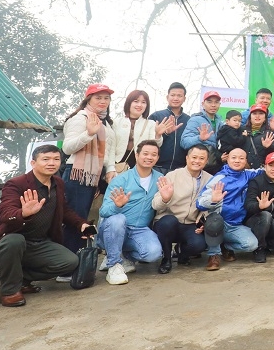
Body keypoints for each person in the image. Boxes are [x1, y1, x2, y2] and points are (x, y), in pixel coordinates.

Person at [0, 145, 92, 307]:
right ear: (33, 163)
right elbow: (3, 213)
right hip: (13, 239)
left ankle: (21, 279)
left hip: (40, 241)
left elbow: (64, 209)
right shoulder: (16, 184)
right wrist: (23, 213)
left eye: (56, 159)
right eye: (45, 159)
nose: (51, 163)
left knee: (70, 262)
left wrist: (81, 224)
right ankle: (9, 291)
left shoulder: (58, 183)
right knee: (14, 241)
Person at [60, 84, 116, 267]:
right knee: (75, 219)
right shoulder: (80, 118)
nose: (103, 101)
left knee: (83, 218)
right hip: (77, 174)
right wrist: (89, 134)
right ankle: (66, 267)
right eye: (98, 97)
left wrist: (110, 169)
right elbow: (67, 148)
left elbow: (109, 151)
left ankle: (77, 264)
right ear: (88, 99)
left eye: (106, 98)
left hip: (93, 175)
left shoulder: (105, 122)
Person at [96, 140, 164, 285]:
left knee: (154, 253)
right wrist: (117, 206)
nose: (149, 157)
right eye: (145, 154)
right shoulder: (121, 180)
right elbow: (104, 211)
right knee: (118, 219)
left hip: (139, 230)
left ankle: (124, 257)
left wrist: (167, 198)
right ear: (137, 155)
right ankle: (114, 265)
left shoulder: (160, 179)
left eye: (153, 155)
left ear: (158, 158)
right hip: (113, 228)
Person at [151, 145, 213, 274]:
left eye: (201, 158)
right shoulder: (173, 175)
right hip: (168, 221)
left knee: (199, 245)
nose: (197, 161)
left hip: (190, 223)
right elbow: (155, 205)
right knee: (168, 222)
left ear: (206, 161)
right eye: (194, 157)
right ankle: (166, 258)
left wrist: (202, 220)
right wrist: (165, 199)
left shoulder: (210, 179)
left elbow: (208, 204)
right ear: (187, 158)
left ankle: (182, 253)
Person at [196, 147, 261, 269]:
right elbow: (199, 202)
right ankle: (213, 255)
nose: (237, 161)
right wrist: (213, 200)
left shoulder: (248, 174)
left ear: (245, 161)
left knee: (251, 245)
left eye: (241, 158)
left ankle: (224, 246)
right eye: (234, 158)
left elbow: (267, 170)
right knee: (215, 222)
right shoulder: (219, 178)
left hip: (235, 224)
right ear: (227, 160)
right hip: (218, 222)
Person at [111, 90, 177, 182]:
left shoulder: (151, 124)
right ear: (129, 103)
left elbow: (154, 146)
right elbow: (111, 147)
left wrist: (158, 134)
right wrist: (110, 168)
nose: (139, 105)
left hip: (140, 164)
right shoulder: (116, 122)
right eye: (136, 101)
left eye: (143, 102)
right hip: (118, 164)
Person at [149, 82, 190, 175]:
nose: (175, 98)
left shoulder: (188, 120)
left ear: (184, 98)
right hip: (157, 167)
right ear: (167, 97)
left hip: (180, 169)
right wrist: (165, 133)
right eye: (173, 95)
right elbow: (148, 141)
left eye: (179, 96)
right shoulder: (156, 116)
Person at [180, 90, 225, 174]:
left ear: (219, 104)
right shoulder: (195, 120)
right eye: (209, 102)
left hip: (216, 166)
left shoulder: (221, 122)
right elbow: (184, 142)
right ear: (203, 104)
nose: (213, 105)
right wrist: (199, 138)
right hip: (198, 167)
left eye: (216, 102)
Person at [241, 104, 274, 168]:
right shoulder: (241, 130)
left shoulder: (268, 133)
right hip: (242, 169)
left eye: (261, 113)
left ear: (265, 118)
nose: (257, 116)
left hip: (260, 171)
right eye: (254, 113)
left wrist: (268, 147)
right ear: (250, 117)